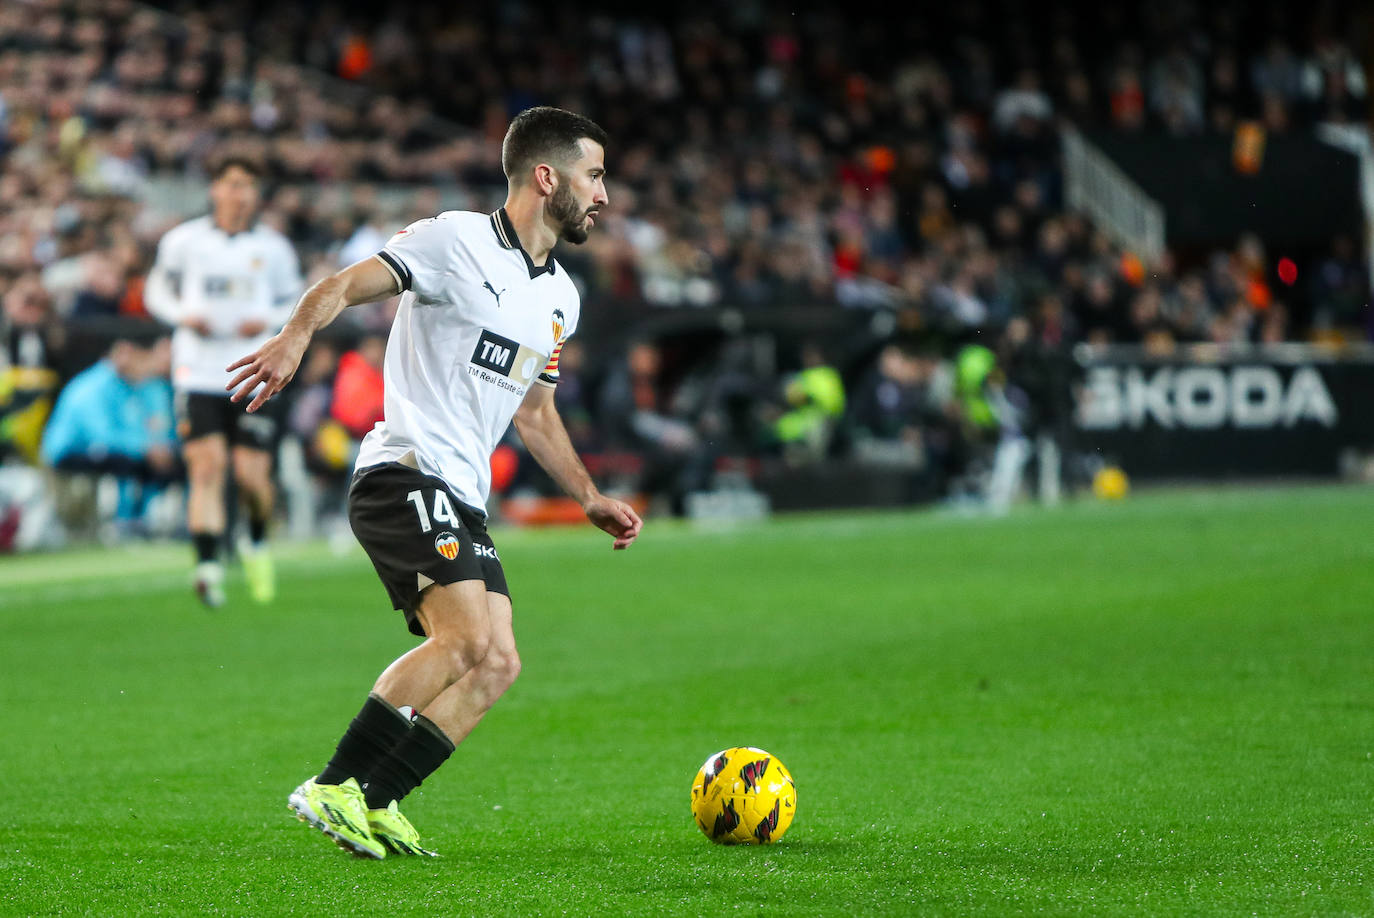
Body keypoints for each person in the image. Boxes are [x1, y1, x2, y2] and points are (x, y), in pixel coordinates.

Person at [225, 107, 642, 860]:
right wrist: (294, 337)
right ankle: (333, 784)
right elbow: (344, 285)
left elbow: (537, 411)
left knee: (500, 661)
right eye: (595, 175)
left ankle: (377, 802)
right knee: (465, 639)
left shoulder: (561, 300)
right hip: (405, 470)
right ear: (546, 178)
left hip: (463, 493)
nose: (604, 195)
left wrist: (587, 495)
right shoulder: (453, 241)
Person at [144, 156, 303, 607]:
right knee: (206, 467)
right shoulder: (184, 241)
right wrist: (181, 315)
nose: (240, 193)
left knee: (252, 477)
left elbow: (293, 299)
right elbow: (157, 288)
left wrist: (268, 319)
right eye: (232, 184)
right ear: (215, 189)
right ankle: (208, 567)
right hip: (198, 369)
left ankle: (255, 540)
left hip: (253, 371)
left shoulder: (273, 248)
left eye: (248, 185)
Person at [40, 335, 177, 537]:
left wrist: (156, 446)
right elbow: (102, 436)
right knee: (127, 461)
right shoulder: (92, 387)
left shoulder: (129, 385)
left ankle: (140, 520)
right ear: (124, 354)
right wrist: (145, 448)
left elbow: (138, 427)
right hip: (69, 451)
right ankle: (120, 523)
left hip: (105, 448)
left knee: (159, 464)